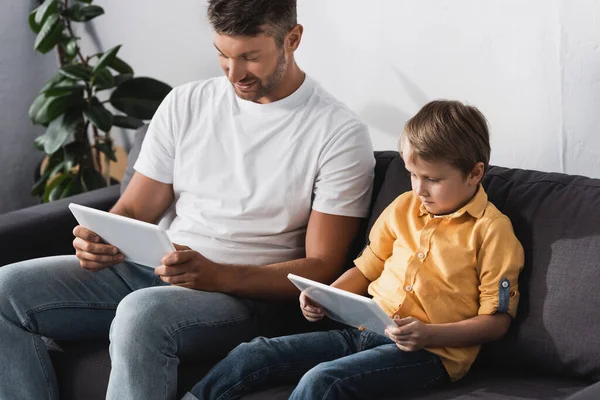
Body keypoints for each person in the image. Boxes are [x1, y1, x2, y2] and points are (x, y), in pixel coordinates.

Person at [0, 1, 375, 399]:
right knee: (5, 290)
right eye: (223, 55)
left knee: (142, 314)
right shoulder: (186, 103)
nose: (235, 74)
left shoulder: (339, 132)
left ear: (292, 39)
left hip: (242, 296)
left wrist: (219, 275)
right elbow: (133, 209)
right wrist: (100, 237)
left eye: (251, 57)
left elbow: (323, 267)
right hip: (153, 270)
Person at [185, 100, 525, 400]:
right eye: (412, 174)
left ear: (474, 173)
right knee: (252, 354)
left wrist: (429, 334)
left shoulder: (492, 231)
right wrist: (326, 295)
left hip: (430, 353)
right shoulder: (403, 207)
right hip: (365, 331)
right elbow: (367, 268)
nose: (419, 189)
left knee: (324, 381)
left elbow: (495, 322)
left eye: (433, 179)